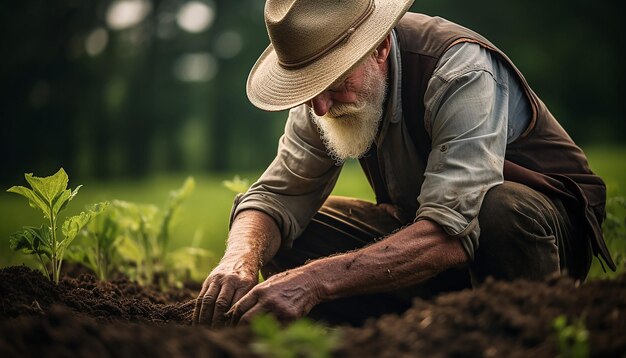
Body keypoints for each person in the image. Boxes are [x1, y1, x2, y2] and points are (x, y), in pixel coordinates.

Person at [192, 0, 615, 327]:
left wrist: (315, 280)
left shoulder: (458, 71)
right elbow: (276, 195)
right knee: (285, 234)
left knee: (497, 208)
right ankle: (420, 328)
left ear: (378, 48)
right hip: (430, 235)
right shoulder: (323, 98)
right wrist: (239, 259)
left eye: (334, 83)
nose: (319, 107)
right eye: (309, 89)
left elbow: (453, 230)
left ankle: (522, 327)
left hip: (534, 237)